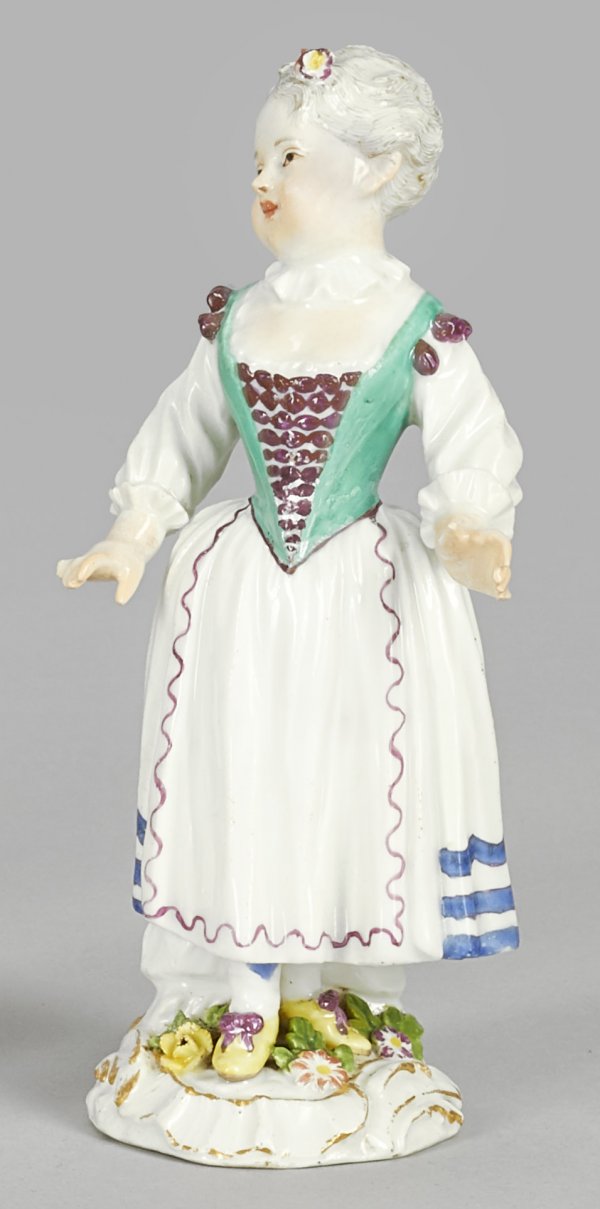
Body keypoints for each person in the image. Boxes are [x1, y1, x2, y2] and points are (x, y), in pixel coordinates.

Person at [57, 45, 523, 1084]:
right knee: (251, 771)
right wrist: (134, 528)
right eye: (258, 159)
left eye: (289, 156)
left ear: (376, 167)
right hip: (247, 593)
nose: (263, 179)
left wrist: (473, 523)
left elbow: (474, 444)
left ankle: (341, 980)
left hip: (362, 592)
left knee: (350, 778)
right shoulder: (243, 316)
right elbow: (184, 431)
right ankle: (251, 979)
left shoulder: (415, 328)